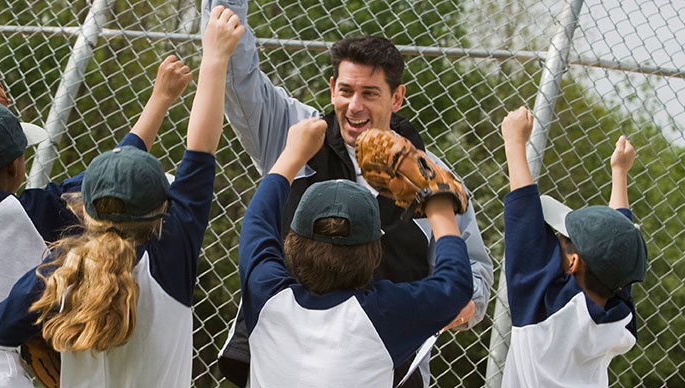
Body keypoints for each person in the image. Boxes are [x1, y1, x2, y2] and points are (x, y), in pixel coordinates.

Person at [200, 0, 494, 385]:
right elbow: (239, 81)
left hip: (387, 367)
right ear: (332, 89)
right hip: (285, 358)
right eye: (346, 90)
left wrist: (465, 303)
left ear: (397, 97)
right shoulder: (300, 133)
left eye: (370, 93)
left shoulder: (432, 177)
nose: (354, 106)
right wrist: (226, 9)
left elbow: (473, 270)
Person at [0, 7, 243, 387]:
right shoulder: (171, 256)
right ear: (164, 209)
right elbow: (200, 151)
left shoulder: (62, 270)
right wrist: (215, 58)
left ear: (83, 208)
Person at [0, 56, 191, 388]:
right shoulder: (29, 212)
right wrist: (161, 99)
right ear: (15, 167)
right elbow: (114, 174)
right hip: (0, 375)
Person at [237, 116, 472, 387]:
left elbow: (257, 221)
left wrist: (292, 155)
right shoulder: (383, 314)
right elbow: (456, 286)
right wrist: (436, 200)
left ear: (290, 245)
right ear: (375, 255)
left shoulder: (267, 295)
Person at [499, 107, 647, 387]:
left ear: (573, 262)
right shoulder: (617, 321)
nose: (556, 239)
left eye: (562, 238)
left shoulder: (543, 310)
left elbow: (524, 215)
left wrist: (514, 141)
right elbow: (618, 249)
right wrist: (620, 173)